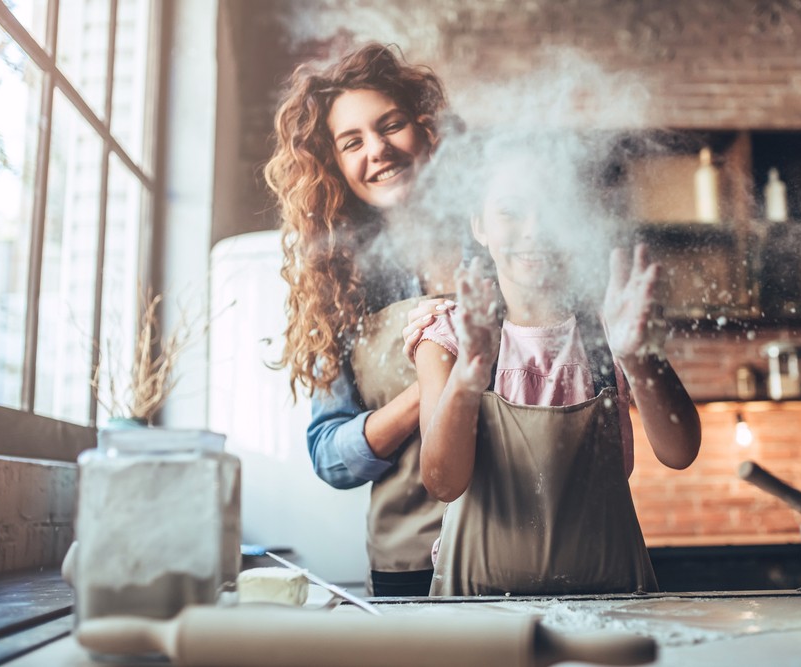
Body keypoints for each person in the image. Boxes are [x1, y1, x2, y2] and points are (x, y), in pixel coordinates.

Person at [414, 134, 702, 596]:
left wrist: (638, 357)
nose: (534, 230)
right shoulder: (450, 337)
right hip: (476, 614)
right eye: (511, 210)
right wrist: (470, 374)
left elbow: (680, 451)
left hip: (611, 601)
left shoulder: (615, 325)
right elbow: (443, 483)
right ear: (479, 225)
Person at [264, 43, 460, 596]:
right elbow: (330, 457)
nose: (377, 149)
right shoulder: (335, 284)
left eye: (390, 124)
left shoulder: (495, 235)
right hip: (413, 565)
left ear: (425, 129)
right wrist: (430, 391)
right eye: (352, 142)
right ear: (334, 164)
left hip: (527, 546)